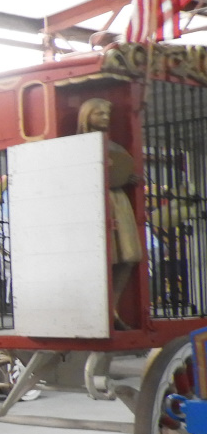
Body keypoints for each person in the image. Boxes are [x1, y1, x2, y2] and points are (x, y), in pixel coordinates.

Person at [77, 97, 143, 330]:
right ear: (87, 115)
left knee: (130, 255)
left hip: (118, 201)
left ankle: (111, 308)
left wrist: (128, 178)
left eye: (107, 114)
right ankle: (100, 313)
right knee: (105, 258)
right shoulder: (79, 145)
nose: (105, 118)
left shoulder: (114, 146)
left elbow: (122, 169)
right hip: (96, 202)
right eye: (100, 113)